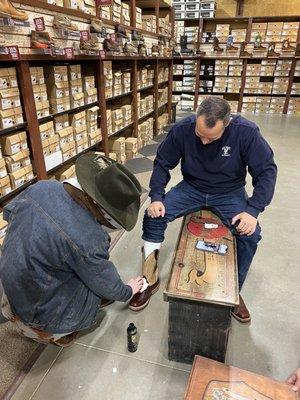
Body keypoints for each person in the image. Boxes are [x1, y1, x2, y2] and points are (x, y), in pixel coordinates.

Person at [129, 97, 277, 323]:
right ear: (196, 119)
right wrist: (157, 197)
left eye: (212, 137)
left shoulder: (246, 132)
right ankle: (149, 279)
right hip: (192, 188)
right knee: (153, 217)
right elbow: (162, 162)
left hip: (230, 192)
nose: (205, 142)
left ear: (226, 124)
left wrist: (253, 210)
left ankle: (234, 290)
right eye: (200, 136)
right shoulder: (183, 129)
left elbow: (266, 171)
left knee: (251, 235)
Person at [0, 153, 144, 346]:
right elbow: (105, 284)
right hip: (37, 314)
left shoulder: (42, 187)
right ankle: (54, 333)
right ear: (108, 211)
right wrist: (127, 291)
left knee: (67, 259)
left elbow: (10, 214)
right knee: (93, 290)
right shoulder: (89, 239)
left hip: (10, 289)